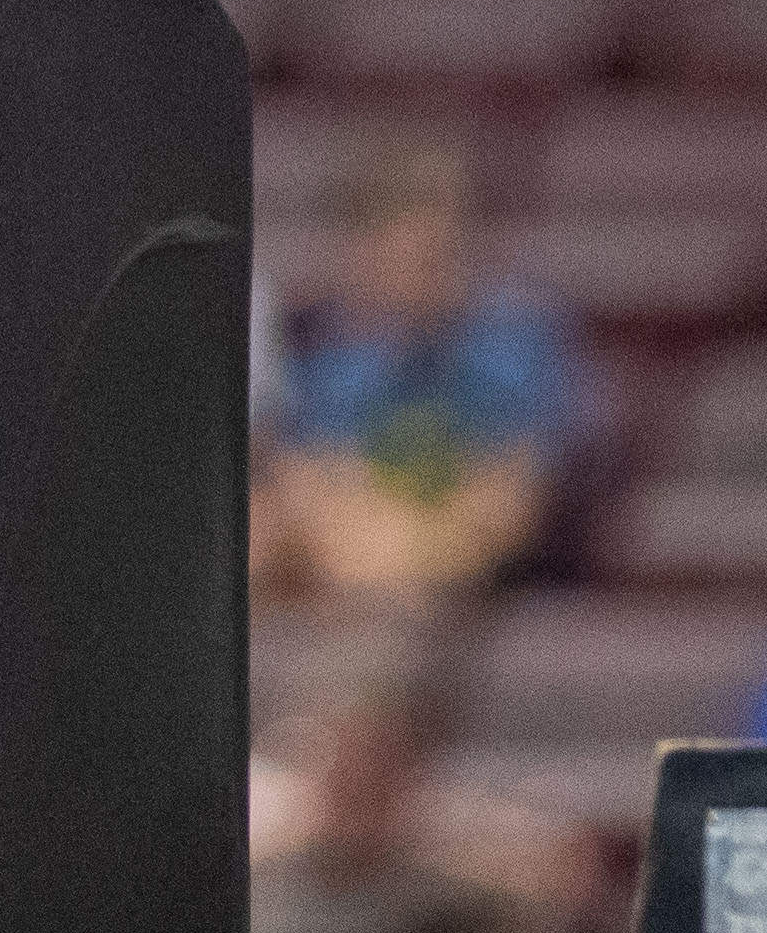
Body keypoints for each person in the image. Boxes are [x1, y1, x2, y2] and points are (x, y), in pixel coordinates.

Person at [252, 145, 589, 608]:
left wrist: (404, 552)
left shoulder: (518, 342)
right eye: (397, 248)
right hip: (356, 578)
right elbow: (306, 493)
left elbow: (509, 510)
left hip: (493, 595)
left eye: (433, 249)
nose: (417, 268)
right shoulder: (326, 353)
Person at [246, 660, 579, 933]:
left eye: (375, 763)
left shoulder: (460, 896)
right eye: (336, 760)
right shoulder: (241, 889)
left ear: (408, 775)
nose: (355, 781)